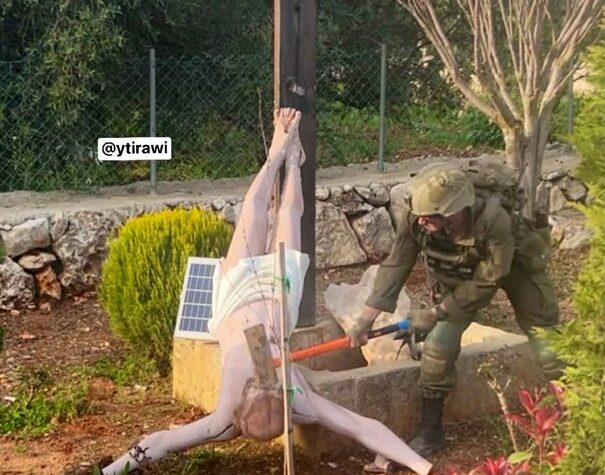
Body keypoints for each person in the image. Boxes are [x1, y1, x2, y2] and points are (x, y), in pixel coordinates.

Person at [101, 108, 433, 475]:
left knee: (255, 212)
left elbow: (162, 441)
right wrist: (422, 467)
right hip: (276, 299)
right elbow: (361, 426)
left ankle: (283, 156)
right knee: (287, 214)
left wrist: (113, 470)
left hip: (235, 298)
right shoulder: (287, 406)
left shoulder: (248, 413)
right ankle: (288, 160)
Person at [348, 162, 561, 461]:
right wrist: (364, 320)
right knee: (438, 345)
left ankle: (571, 408)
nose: (422, 221)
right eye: (420, 215)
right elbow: (397, 264)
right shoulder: (417, 217)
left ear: (454, 212)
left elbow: (488, 280)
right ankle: (431, 433)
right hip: (461, 276)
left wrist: (435, 313)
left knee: (545, 337)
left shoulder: (494, 219)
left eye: (430, 216)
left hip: (514, 267)